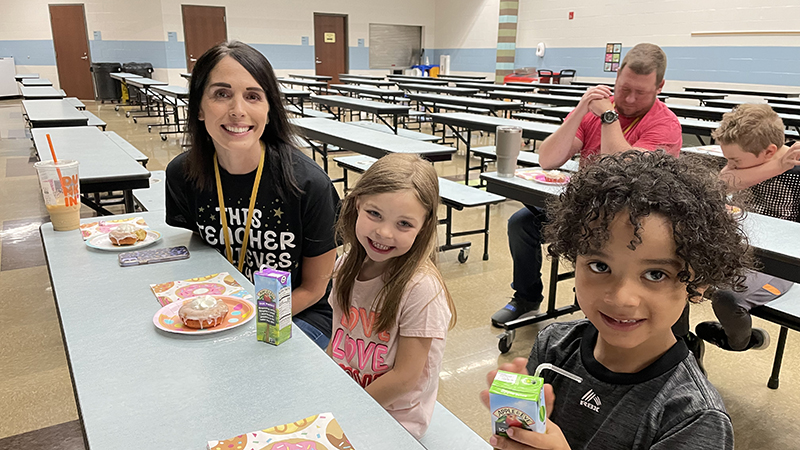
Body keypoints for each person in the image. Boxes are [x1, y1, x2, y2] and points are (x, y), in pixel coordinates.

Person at [481, 150, 752, 449]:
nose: (621, 298)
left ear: (698, 283)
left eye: (655, 274)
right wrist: (515, 427)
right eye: (600, 266)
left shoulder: (693, 417)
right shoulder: (554, 346)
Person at [493, 43, 692, 349]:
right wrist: (581, 109)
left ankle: (670, 339)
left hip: (637, 223)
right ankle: (527, 297)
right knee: (522, 224)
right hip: (588, 210)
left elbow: (625, 167)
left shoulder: (664, 124)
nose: (628, 98)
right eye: (623, 88)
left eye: (640, 92)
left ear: (660, 87)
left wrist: (609, 118)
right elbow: (548, 159)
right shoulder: (597, 110)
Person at [165, 41, 340, 349]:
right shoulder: (182, 175)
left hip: (298, 314)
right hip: (222, 310)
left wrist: (244, 319)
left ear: (269, 110)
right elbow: (198, 258)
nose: (237, 110)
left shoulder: (310, 185)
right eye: (221, 94)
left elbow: (314, 289)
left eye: (253, 96)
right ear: (199, 108)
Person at [325, 153, 456, 439]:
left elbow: (405, 377)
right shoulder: (345, 265)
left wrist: (347, 409)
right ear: (357, 203)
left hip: (393, 422)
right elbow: (338, 339)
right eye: (375, 214)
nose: (384, 233)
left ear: (423, 226)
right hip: (348, 399)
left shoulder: (421, 288)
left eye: (404, 224)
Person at [695, 104, 800, 351]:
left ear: (769, 150)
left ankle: (740, 341)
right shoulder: (758, 162)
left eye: (735, 160)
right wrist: (775, 166)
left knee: (728, 298)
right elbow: (722, 183)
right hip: (744, 246)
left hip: (780, 262)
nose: (730, 164)